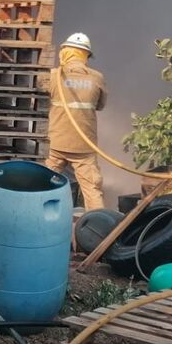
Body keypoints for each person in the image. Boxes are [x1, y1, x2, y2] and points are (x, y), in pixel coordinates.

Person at [44, 32, 108, 210]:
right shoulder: (97, 78)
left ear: (64, 52)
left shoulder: (53, 76)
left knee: (42, 185)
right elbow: (101, 105)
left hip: (55, 143)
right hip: (84, 146)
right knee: (92, 190)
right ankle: (99, 230)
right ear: (85, 55)